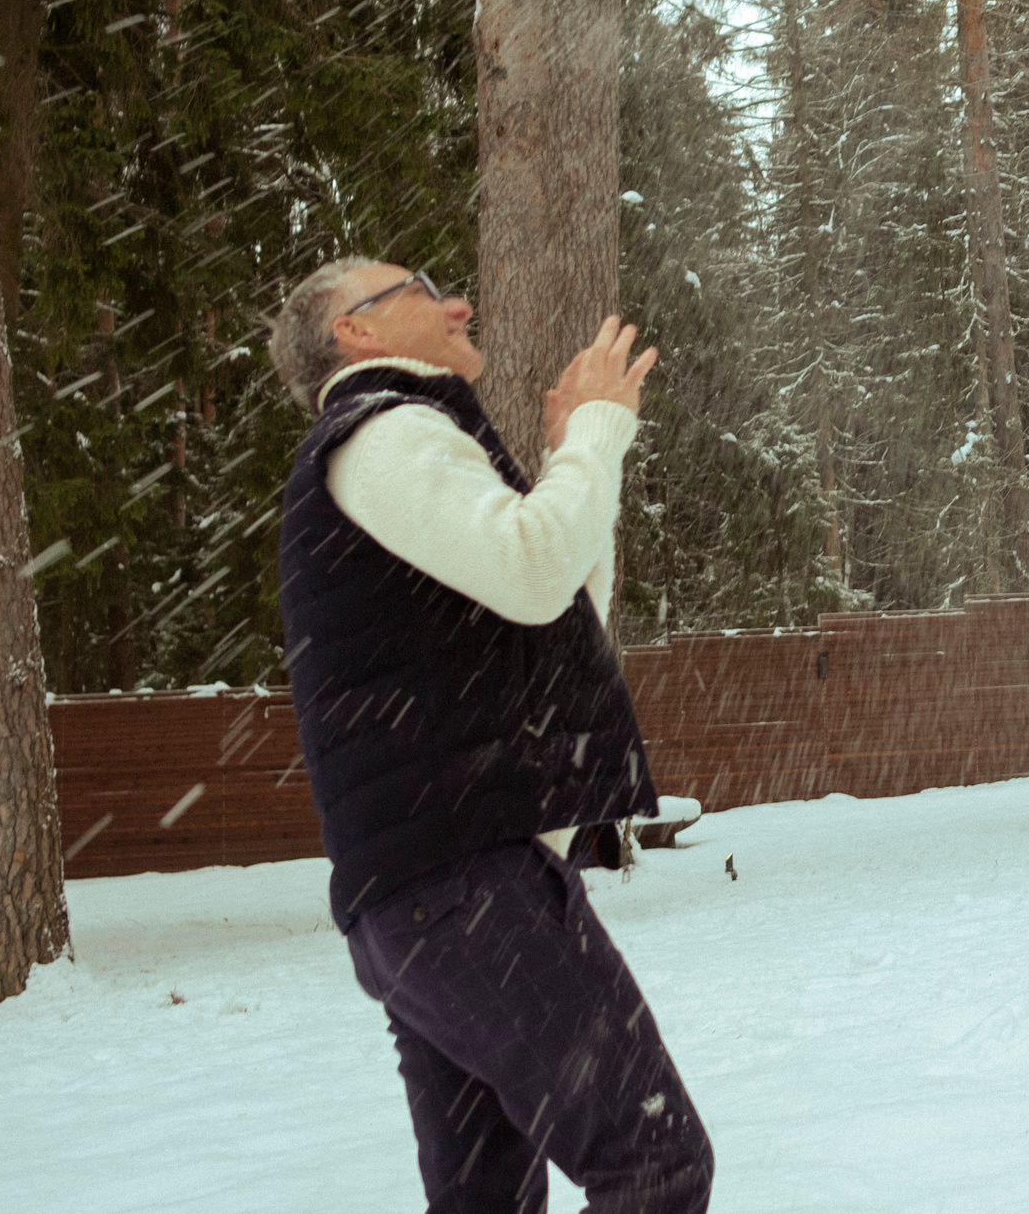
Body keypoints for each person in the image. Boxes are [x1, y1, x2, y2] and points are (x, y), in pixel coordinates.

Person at [270, 258, 711, 1214]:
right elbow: (532, 570)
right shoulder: (382, 434)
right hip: (466, 889)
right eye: (424, 287)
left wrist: (578, 459)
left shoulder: (390, 445)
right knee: (656, 1162)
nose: (457, 299)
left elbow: (554, 620)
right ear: (356, 332)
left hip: (423, 903)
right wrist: (597, 429)